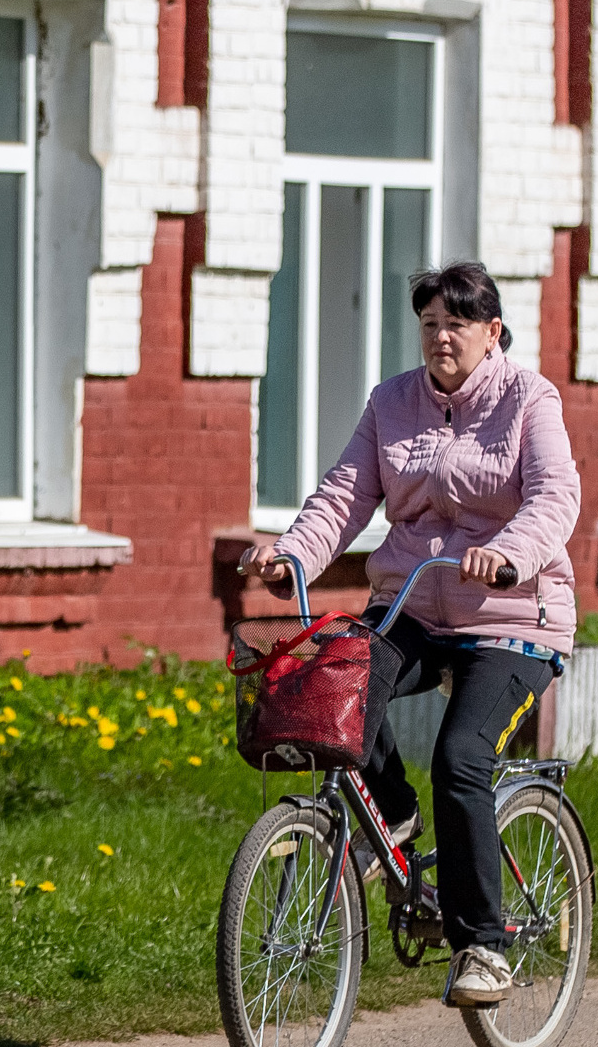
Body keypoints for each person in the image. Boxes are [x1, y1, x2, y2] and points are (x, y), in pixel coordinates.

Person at [241, 260, 580, 1009]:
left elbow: (557, 496)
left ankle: (483, 947)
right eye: (429, 325)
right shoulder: (392, 402)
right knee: (337, 683)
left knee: (461, 756)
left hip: (515, 618)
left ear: (492, 331)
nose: (440, 338)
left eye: (455, 324)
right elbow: (344, 494)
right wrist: (290, 552)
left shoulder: (530, 398)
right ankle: (391, 813)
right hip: (415, 606)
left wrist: (513, 554)